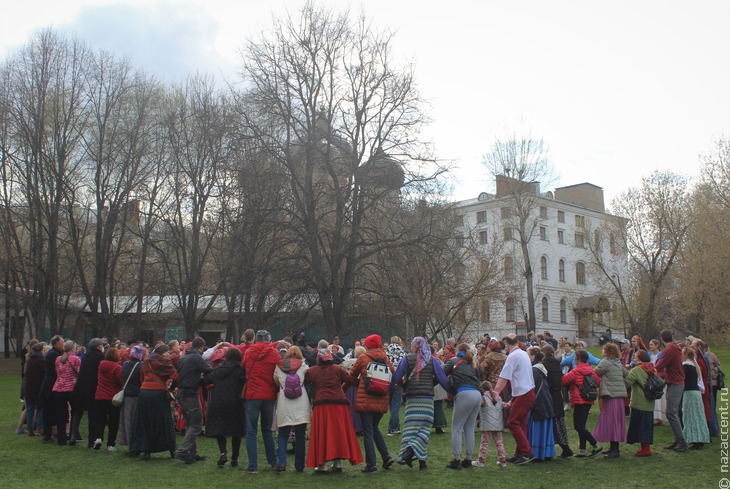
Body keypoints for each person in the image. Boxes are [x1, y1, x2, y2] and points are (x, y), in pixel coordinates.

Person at [392, 336, 451, 470]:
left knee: (410, 430)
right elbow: (442, 379)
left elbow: (396, 377)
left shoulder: (407, 359)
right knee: (425, 429)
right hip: (427, 399)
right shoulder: (432, 360)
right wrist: (452, 391)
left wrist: (404, 387)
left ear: (414, 346)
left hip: (413, 399)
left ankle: (409, 452)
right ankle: (421, 460)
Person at [304, 348, 362, 473]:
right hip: (339, 405)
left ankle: (322, 465)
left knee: (323, 435)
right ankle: (337, 463)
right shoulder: (337, 369)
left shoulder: (312, 371)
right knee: (338, 435)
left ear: (318, 358)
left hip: (321, 406)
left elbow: (303, 382)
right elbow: (351, 381)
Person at [349, 334, 395, 473]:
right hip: (381, 398)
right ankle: (386, 456)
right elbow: (393, 373)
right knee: (375, 428)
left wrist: (360, 383)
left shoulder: (363, 358)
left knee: (368, 431)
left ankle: (371, 464)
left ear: (367, 345)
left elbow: (351, 375)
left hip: (366, 399)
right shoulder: (385, 358)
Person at [492, 334, 536, 465]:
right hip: (527, 392)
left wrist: (495, 392)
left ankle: (527, 452)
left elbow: (504, 377)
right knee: (520, 424)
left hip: (523, 393)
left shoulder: (513, 356)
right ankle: (520, 453)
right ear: (517, 342)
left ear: (506, 343)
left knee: (512, 422)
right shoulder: (523, 354)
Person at [130, 343, 178, 460]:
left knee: (145, 421)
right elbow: (175, 376)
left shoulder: (146, 362)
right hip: (158, 393)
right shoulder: (165, 362)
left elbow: (141, 378)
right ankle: (173, 450)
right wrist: (171, 388)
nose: (168, 354)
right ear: (162, 353)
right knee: (164, 422)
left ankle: (145, 451)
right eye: (167, 352)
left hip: (144, 393)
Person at [241, 330, 280, 473]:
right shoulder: (274, 353)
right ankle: (273, 462)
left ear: (256, 340)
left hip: (253, 395)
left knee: (251, 430)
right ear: (269, 340)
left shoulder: (249, 352)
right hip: (269, 395)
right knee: (267, 429)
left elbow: (244, 365)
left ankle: (253, 466)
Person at [204, 346, 246, 468]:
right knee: (236, 431)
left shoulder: (218, 369)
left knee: (219, 428)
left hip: (218, 401)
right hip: (235, 402)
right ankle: (234, 459)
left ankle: (223, 452)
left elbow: (207, 379)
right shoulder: (240, 370)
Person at [174, 336, 213, 464]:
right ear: (201, 347)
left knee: (190, 423)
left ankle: (191, 453)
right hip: (191, 393)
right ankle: (184, 450)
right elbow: (208, 370)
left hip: (181, 393)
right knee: (196, 423)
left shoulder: (183, 357)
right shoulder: (196, 357)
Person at [443, 343, 482, 469]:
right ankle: (468, 458)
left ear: (458, 351)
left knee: (457, 427)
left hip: (464, 393)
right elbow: (478, 379)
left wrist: (449, 388)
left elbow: (441, 372)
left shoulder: (454, 361)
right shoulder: (473, 363)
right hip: (477, 394)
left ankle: (456, 459)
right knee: (469, 428)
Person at [273, 346, 310, 472]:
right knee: (300, 436)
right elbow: (309, 380)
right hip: (301, 403)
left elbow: (276, 382)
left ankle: (281, 463)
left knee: (283, 435)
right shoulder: (304, 366)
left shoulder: (279, 367)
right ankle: (299, 465)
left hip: (285, 402)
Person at [561, 349, 603, 458]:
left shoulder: (576, 370)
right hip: (588, 399)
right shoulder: (590, 369)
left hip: (579, 400)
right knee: (582, 425)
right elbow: (598, 381)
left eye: (575, 357)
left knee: (578, 426)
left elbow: (563, 381)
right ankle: (582, 450)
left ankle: (596, 445)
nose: (573, 358)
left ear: (578, 358)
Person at [592, 342, 628, 458]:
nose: (602, 352)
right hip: (619, 396)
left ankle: (615, 450)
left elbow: (595, 372)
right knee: (616, 421)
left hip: (611, 395)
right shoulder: (618, 363)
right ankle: (613, 447)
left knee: (611, 422)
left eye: (603, 350)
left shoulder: (606, 362)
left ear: (608, 352)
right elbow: (626, 374)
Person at [655, 329, 686, 452]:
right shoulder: (675, 348)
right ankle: (678, 440)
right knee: (673, 413)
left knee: (671, 412)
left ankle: (681, 442)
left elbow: (659, 366)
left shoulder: (669, 350)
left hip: (675, 383)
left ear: (662, 339)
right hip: (675, 382)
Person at [70, 338, 105, 447]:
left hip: (80, 387)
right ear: (99, 346)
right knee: (92, 414)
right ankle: (91, 440)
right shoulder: (100, 357)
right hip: (92, 388)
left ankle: (73, 434)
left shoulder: (86, 355)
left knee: (77, 412)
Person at [541, 344, 572, 458]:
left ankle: (562, 448)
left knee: (553, 423)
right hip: (557, 395)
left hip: (550, 395)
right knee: (559, 423)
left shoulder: (545, 364)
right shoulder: (556, 363)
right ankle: (565, 447)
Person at [625, 350, 656, 457]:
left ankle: (645, 449)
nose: (634, 359)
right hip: (650, 402)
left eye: (636, 357)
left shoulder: (637, 370)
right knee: (646, 426)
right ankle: (646, 447)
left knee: (640, 426)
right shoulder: (651, 368)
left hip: (639, 402)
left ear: (640, 359)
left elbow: (627, 382)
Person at [527, 346, 555, 461]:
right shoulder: (541, 368)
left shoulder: (534, 370)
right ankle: (546, 452)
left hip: (539, 403)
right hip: (546, 402)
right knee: (544, 427)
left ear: (533, 357)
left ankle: (537, 453)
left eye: (528, 355)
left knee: (537, 428)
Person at [472, 380, 508, 468]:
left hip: (487, 424)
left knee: (484, 443)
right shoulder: (498, 398)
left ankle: (481, 461)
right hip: (498, 425)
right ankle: (502, 460)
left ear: (483, 389)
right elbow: (504, 405)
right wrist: (509, 404)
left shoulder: (483, 397)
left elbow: (478, 404)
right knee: (499, 442)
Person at [93, 346, 122, 451]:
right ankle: (111, 444)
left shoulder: (101, 364)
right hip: (113, 397)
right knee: (113, 421)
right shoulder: (117, 367)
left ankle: (99, 437)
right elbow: (120, 381)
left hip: (100, 395)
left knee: (100, 419)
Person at [681, 347, 710, 449]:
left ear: (685, 355)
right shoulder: (694, 365)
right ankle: (700, 438)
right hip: (696, 392)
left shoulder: (685, 366)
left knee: (690, 416)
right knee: (698, 416)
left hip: (689, 393)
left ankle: (695, 440)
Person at [52, 340, 80, 446]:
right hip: (71, 389)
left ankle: (61, 439)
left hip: (59, 388)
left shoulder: (58, 359)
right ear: (72, 348)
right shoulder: (75, 359)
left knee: (61, 414)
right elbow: (79, 373)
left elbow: (57, 372)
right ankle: (73, 434)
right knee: (75, 413)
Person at [118, 345, 144, 449]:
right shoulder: (140, 366)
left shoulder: (125, 364)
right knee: (135, 421)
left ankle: (128, 442)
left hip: (126, 395)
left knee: (126, 420)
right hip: (136, 395)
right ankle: (134, 444)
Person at [40, 335, 64, 444]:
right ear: (57, 344)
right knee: (49, 411)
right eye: (62, 343)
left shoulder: (54, 354)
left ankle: (51, 433)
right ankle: (47, 435)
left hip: (50, 385)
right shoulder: (54, 355)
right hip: (50, 387)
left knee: (52, 411)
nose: (63, 345)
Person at [385, 336, 406, 436]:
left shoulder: (387, 351)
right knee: (396, 405)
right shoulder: (402, 352)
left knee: (391, 404)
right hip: (399, 380)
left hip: (388, 379)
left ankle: (395, 426)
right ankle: (393, 428)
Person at [24, 342, 45, 436]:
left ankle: (29, 429)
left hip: (28, 388)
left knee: (29, 409)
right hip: (38, 388)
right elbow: (45, 373)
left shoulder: (29, 360)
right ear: (41, 350)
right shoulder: (41, 360)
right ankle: (39, 428)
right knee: (40, 408)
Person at [648, 339, 667, 426]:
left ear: (656, 345)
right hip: (651, 378)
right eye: (650, 344)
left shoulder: (660, 355)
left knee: (660, 399)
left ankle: (660, 417)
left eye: (652, 344)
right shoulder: (649, 354)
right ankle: (655, 417)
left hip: (658, 378)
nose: (650, 346)